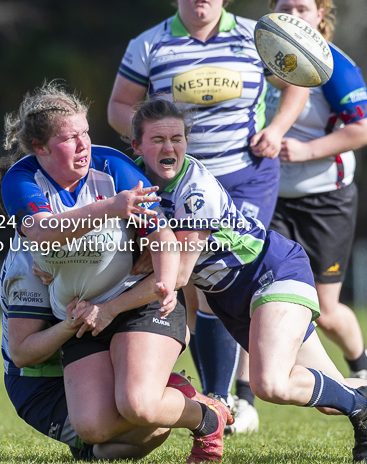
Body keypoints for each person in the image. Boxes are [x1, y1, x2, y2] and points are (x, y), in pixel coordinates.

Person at [74, 97, 367, 463]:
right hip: (231, 298)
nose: (169, 147)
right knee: (330, 395)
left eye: (177, 138)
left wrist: (110, 307)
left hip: (270, 274)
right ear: (136, 146)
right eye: (157, 140)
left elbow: (178, 274)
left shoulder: (195, 191)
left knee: (271, 384)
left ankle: (364, 406)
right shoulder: (133, 184)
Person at [0, 82, 233, 463]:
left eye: (85, 132)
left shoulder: (112, 166)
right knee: (95, 431)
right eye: (69, 138)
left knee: (138, 405)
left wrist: (163, 280)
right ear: (41, 148)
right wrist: (112, 207)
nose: (83, 145)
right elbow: (42, 231)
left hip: (136, 304)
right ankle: (176, 395)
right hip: (86, 313)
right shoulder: (22, 179)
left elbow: (160, 232)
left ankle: (206, 419)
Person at [107, 0, 310, 432]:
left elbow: (299, 82)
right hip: (181, 180)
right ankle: (225, 395)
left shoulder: (259, 36)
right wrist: (156, 140)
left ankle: (233, 397)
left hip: (245, 178)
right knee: (196, 291)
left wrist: (275, 130)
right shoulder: (149, 43)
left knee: (222, 270)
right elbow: (119, 107)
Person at [265, 0, 367, 383]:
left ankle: (361, 363)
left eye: (302, 9)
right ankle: (243, 400)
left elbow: (366, 130)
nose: (294, 17)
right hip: (271, 198)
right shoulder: (259, 54)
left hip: (325, 200)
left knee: (325, 311)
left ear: (320, 15)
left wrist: (306, 151)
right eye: (286, 8)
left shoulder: (336, 66)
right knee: (258, 294)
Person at [0, 234, 173, 460]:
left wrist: (152, 246)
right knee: (148, 423)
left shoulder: (87, 238)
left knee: (148, 412)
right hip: (42, 385)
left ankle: (90, 446)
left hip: (84, 361)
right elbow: (21, 353)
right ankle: (176, 397)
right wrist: (72, 323)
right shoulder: (26, 265)